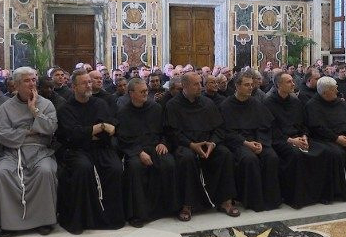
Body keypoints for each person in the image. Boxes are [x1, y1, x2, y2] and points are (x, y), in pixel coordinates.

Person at [0, 67, 59, 237]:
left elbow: (51, 128)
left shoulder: (46, 104)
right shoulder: (6, 107)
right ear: (17, 85)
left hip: (40, 151)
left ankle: (44, 221)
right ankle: (8, 224)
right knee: (1, 173)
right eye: (27, 81)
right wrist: (29, 132)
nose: (32, 84)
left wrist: (35, 110)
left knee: (45, 171)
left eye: (34, 80)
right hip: (13, 152)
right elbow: (2, 134)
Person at [264, 72, 346, 208]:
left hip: (300, 138)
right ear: (279, 85)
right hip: (281, 140)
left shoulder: (295, 102)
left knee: (325, 151)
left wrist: (304, 136)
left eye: (292, 81)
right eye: (289, 82)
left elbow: (303, 123)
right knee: (296, 155)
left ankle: (320, 194)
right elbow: (271, 129)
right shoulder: (268, 103)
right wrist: (291, 140)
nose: (293, 84)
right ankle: (299, 198)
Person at [56, 69, 124, 233]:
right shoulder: (65, 109)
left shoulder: (100, 104)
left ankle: (110, 218)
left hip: (100, 147)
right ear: (74, 87)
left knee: (115, 168)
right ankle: (83, 219)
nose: (89, 85)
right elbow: (72, 135)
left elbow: (109, 130)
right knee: (83, 168)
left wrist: (90, 132)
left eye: (89, 82)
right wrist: (99, 127)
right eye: (84, 83)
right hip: (77, 150)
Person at [164, 72, 238, 221]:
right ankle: (187, 204)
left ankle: (225, 201)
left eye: (200, 83)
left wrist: (213, 143)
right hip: (185, 144)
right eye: (196, 84)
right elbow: (172, 132)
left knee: (225, 154)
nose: (200, 87)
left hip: (207, 143)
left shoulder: (208, 103)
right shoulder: (172, 105)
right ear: (184, 86)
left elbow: (219, 128)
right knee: (186, 158)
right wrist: (191, 145)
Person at [117, 79, 179, 227]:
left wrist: (163, 142)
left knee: (168, 163)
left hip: (155, 146)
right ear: (131, 93)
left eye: (146, 90)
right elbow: (123, 138)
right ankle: (138, 214)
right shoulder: (123, 112)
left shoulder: (156, 108)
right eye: (142, 91)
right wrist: (139, 152)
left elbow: (165, 130)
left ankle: (167, 208)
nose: (146, 93)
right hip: (135, 149)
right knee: (135, 167)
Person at [219, 70, 281, 212]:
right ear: (237, 86)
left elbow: (265, 126)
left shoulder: (256, 103)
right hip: (238, 143)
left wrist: (260, 143)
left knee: (271, 157)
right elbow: (227, 132)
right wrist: (246, 143)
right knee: (249, 159)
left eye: (252, 85)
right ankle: (253, 201)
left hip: (258, 140)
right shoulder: (226, 105)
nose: (250, 88)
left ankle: (271, 200)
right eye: (247, 85)